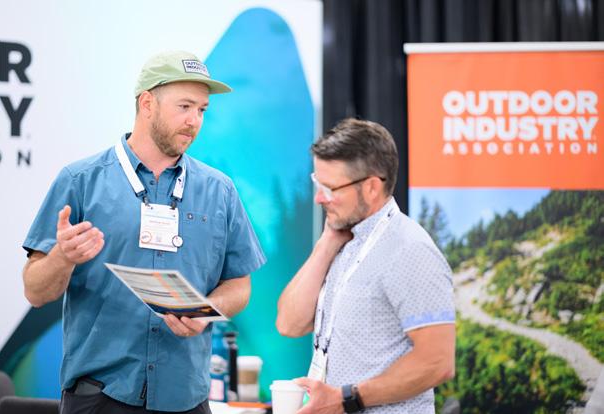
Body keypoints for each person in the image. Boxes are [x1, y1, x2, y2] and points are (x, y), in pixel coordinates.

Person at [22, 50, 266, 413]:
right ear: (147, 103)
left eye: (202, 110)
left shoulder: (221, 191)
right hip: (100, 396)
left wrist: (208, 311)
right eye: (184, 107)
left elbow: (239, 285)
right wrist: (62, 257)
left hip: (186, 396)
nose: (194, 121)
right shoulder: (80, 181)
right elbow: (35, 291)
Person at [276, 118, 455, 414]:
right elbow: (289, 324)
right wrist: (326, 244)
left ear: (371, 187)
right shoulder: (344, 238)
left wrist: (346, 399)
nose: (319, 198)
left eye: (330, 188)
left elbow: (437, 362)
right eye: (318, 183)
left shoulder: (410, 250)